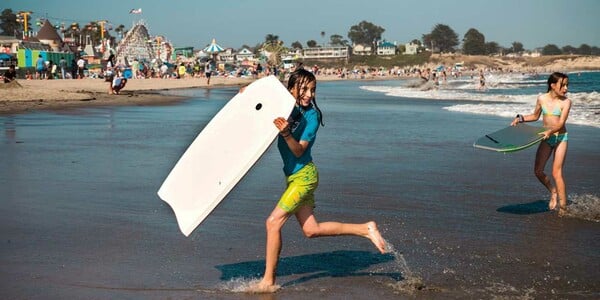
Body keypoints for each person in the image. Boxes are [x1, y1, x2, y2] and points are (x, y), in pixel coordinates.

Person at [250, 69, 387, 293]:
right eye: (304, 89)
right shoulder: (286, 109)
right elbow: (262, 105)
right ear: (291, 88)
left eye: (313, 90)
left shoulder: (312, 117)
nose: (309, 94)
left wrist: (286, 134)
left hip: (304, 177)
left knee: (273, 223)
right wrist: (247, 95)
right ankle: (365, 228)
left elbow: (298, 151)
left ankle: (268, 280)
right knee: (311, 230)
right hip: (293, 177)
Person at [510, 72, 571, 215]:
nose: (566, 88)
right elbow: (535, 116)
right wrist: (520, 118)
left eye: (567, 85)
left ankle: (563, 209)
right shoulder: (542, 99)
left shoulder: (566, 102)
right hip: (546, 137)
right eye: (563, 85)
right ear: (553, 85)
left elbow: (561, 123)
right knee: (538, 171)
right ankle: (553, 191)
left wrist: (550, 132)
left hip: (561, 138)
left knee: (557, 173)